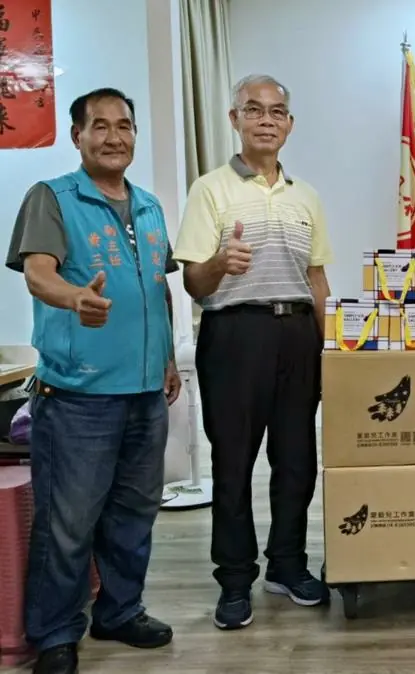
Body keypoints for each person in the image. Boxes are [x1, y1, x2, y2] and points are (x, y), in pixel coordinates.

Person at [5, 88, 180, 674]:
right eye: (99, 126)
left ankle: (120, 611)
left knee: (134, 515)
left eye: (123, 125)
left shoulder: (150, 206)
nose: (113, 137)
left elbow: (157, 287)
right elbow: (38, 273)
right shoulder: (52, 197)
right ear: (77, 136)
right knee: (68, 523)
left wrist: (168, 359)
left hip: (144, 393)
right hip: (78, 397)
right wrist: (75, 298)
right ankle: (55, 632)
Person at [173, 74, 333, 630]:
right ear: (234, 119)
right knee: (234, 462)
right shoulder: (210, 189)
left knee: (297, 460)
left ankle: (286, 564)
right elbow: (193, 282)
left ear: (290, 123)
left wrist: (332, 350)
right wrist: (221, 263)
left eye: (277, 111)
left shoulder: (305, 196)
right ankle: (235, 579)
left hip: (298, 336)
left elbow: (317, 280)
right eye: (254, 110)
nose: (267, 120)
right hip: (234, 336)